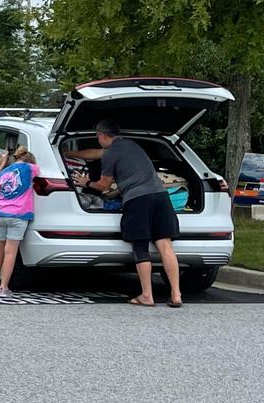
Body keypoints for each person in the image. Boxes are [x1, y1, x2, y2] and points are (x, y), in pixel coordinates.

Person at [77, 118, 184, 308]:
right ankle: (176, 294)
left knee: (140, 247)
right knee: (165, 245)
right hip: (160, 196)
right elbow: (133, 175)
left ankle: (146, 296)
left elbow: (103, 185)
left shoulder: (110, 154)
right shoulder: (133, 145)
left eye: (98, 136)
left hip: (138, 200)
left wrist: (86, 183)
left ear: (102, 135)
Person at [0, 144, 36, 297]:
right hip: (19, 215)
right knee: (11, 252)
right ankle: (4, 287)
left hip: (0, 214)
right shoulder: (30, 168)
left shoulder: (4, 173)